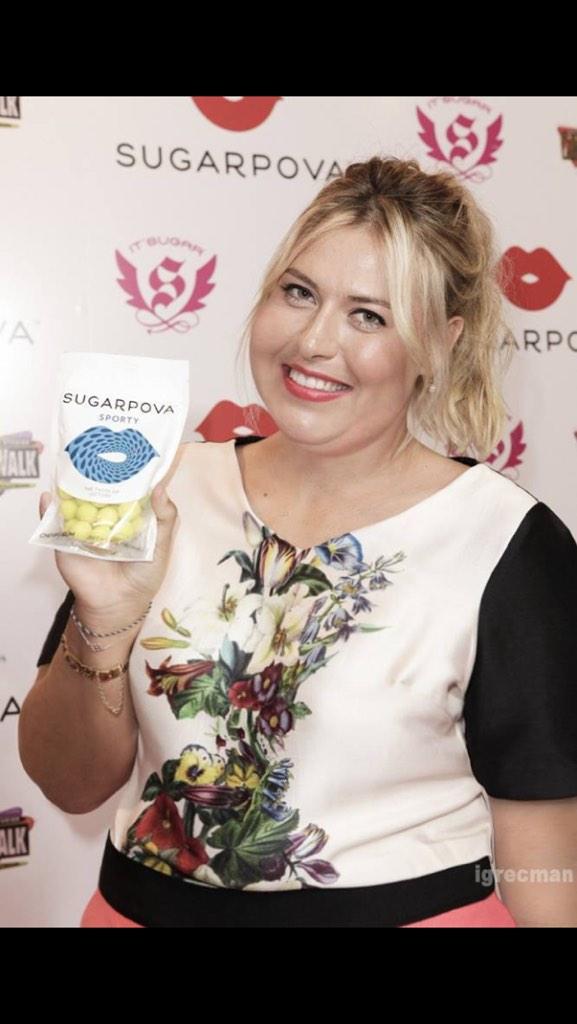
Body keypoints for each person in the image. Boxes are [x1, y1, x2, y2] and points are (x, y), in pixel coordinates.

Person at [20, 155, 577, 928]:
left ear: (440, 341)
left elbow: (542, 856)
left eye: (369, 315)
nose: (314, 341)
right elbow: (70, 784)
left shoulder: (502, 539)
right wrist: (102, 617)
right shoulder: (161, 488)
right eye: (298, 292)